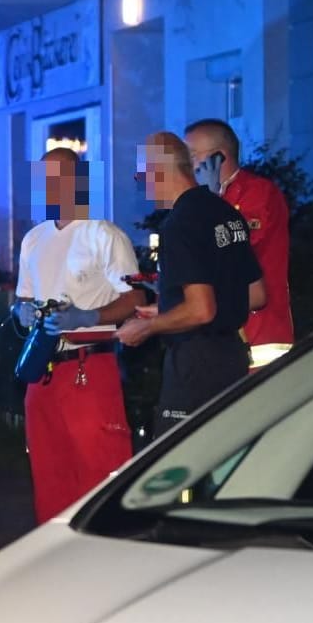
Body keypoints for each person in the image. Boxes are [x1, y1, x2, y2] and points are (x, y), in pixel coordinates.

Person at [14, 147, 142, 522]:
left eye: (56, 178)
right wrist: (22, 313)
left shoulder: (103, 234)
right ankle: (56, 564)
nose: (47, 186)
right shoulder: (33, 239)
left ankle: (109, 559)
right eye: (42, 179)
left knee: (100, 474)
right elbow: (23, 299)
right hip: (42, 373)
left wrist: (87, 317)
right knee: (49, 476)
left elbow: (133, 298)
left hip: (88, 368)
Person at [122, 132, 266, 436]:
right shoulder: (225, 213)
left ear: (159, 170)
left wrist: (148, 327)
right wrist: (165, 309)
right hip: (232, 360)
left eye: (141, 174)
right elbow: (255, 294)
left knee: (177, 464)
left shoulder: (180, 224)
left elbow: (201, 310)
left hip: (195, 366)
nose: (140, 183)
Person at [184, 120, 294, 367]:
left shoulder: (257, 193)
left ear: (219, 157)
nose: (186, 166)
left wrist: (209, 204)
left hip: (258, 338)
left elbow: (234, 249)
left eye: (191, 156)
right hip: (218, 337)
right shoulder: (201, 200)